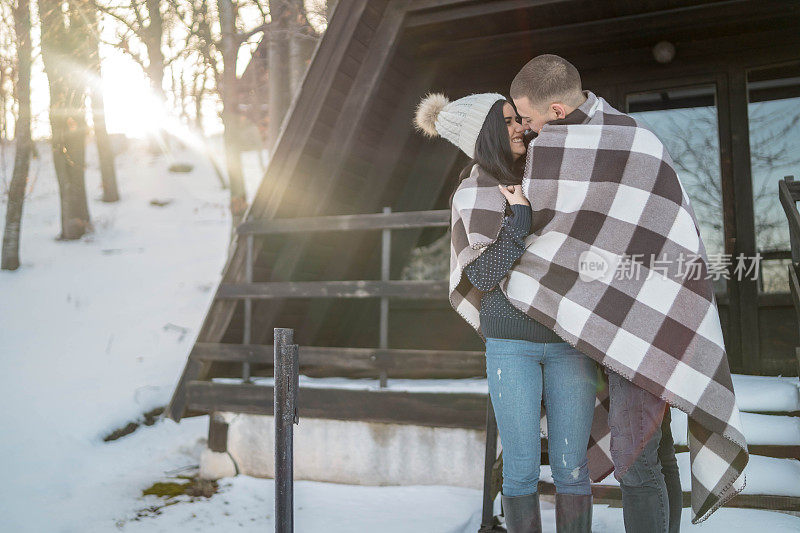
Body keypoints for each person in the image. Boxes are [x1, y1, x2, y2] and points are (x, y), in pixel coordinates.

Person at [509, 54, 687, 533]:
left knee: (636, 459)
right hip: (616, 320)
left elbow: (671, 234)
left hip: (642, 323)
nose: (525, 129)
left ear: (558, 113)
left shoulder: (605, 146)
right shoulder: (638, 138)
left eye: (527, 118)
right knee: (655, 447)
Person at [416, 92, 598, 533]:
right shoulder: (473, 190)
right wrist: (518, 221)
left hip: (567, 339)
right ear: (486, 133)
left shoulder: (547, 175)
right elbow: (480, 275)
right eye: (509, 120)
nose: (521, 126)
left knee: (572, 467)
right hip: (511, 346)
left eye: (520, 119)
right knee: (520, 470)